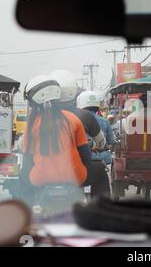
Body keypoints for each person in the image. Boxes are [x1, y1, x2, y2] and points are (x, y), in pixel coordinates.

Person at [20, 75, 110, 204]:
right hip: (75, 178)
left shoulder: (31, 125)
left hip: (40, 179)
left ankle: (25, 214)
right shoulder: (73, 119)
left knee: (22, 179)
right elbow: (85, 157)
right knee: (100, 172)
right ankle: (104, 213)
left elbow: (27, 161)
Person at [48, 69, 106, 152]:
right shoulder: (86, 116)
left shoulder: (39, 117)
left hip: (46, 164)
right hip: (78, 162)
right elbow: (101, 143)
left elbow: (24, 145)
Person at [77, 91, 116, 165]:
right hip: (102, 161)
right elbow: (111, 142)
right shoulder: (105, 122)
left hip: (83, 161)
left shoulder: (75, 121)